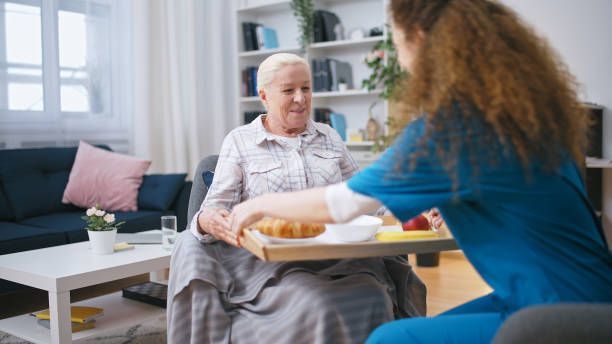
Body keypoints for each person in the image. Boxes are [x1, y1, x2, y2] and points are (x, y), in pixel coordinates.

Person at [229, 1, 612, 343]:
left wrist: (263, 205)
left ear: (421, 39)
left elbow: (345, 203)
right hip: (591, 297)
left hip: (557, 315)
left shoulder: (452, 127)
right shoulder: (522, 114)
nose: (399, 57)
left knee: (390, 340)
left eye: (397, 44)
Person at [166, 53, 426, 343]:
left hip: (339, 261)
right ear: (264, 95)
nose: (301, 98)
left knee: (376, 297)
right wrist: (205, 221)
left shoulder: (330, 137)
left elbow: (366, 198)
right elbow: (213, 210)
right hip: (271, 267)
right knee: (318, 304)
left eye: (306, 88)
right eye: (289, 90)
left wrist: (420, 209)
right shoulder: (240, 141)